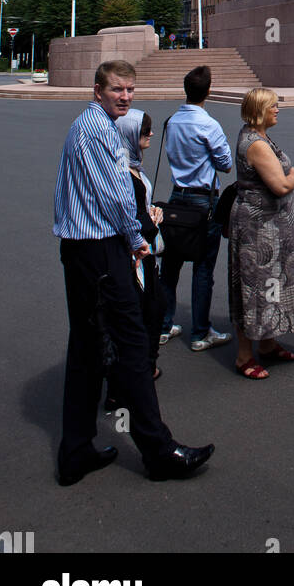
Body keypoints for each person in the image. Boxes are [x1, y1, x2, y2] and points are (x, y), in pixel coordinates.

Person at [53, 60, 213, 484]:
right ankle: (158, 451)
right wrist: (136, 240)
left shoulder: (88, 126)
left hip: (81, 249)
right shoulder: (98, 131)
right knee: (133, 345)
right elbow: (115, 199)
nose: (124, 96)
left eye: (129, 90)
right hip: (101, 250)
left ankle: (76, 449)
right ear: (97, 90)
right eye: (116, 89)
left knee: (87, 348)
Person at [228, 90, 294, 380]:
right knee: (254, 288)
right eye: (272, 106)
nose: (278, 109)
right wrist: (293, 177)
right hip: (259, 230)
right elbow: (279, 185)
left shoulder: (258, 136)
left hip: (270, 227)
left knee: (271, 285)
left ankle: (267, 342)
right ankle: (244, 356)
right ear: (258, 110)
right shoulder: (255, 143)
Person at [158, 65, 233, 352]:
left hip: (177, 197)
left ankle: (163, 325)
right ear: (208, 91)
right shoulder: (209, 124)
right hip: (204, 199)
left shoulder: (172, 121)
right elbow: (225, 163)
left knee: (170, 266)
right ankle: (201, 332)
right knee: (203, 268)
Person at [112, 110, 164, 390]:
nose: (151, 135)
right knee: (141, 315)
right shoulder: (122, 171)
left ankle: (143, 368)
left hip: (142, 251)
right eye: (145, 131)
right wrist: (150, 222)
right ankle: (129, 381)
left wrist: (150, 211)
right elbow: (126, 213)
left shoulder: (132, 164)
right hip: (135, 254)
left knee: (153, 309)